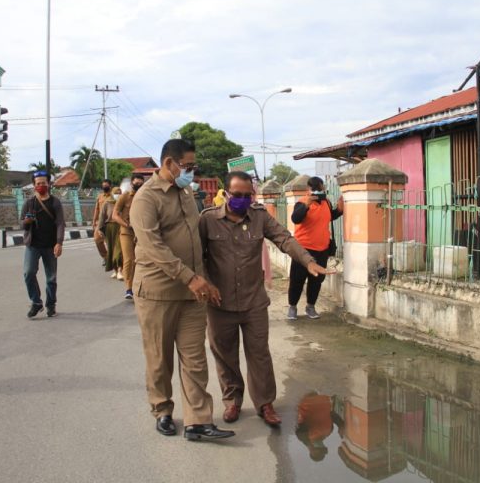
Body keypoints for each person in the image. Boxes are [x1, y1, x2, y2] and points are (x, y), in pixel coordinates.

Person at [200, 171, 330, 427]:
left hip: (253, 301)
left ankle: (264, 404)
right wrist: (205, 283)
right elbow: (197, 255)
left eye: (247, 195)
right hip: (219, 303)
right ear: (225, 194)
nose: (242, 200)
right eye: (236, 195)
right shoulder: (208, 221)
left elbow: (284, 238)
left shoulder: (259, 217)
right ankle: (232, 401)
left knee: (259, 354)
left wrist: (308, 261)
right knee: (225, 355)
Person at [130, 138, 234, 442]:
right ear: (169, 164)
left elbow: (194, 240)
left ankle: (197, 421)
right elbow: (152, 247)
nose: (191, 171)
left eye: (193, 166)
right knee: (159, 359)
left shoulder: (187, 192)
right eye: (187, 166)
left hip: (192, 293)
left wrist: (203, 279)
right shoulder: (146, 198)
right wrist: (190, 278)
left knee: (195, 359)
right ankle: (162, 410)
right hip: (157, 293)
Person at [288, 176, 343, 320]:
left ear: (323, 188)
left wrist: (340, 210)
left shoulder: (326, 202)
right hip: (302, 249)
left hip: (322, 249)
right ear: (309, 189)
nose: (318, 191)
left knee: (317, 280)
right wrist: (307, 204)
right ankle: (292, 307)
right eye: (315, 189)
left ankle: (310, 307)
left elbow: (329, 217)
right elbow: (296, 218)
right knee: (297, 280)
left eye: (320, 188)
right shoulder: (302, 202)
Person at [20, 171, 65, 318]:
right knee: (28, 273)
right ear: (34, 185)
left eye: (43, 183)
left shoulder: (54, 202)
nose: (41, 186)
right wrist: (27, 221)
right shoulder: (29, 203)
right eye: (38, 183)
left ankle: (51, 304)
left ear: (49, 184)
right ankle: (36, 302)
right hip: (33, 244)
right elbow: (22, 224)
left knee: (51, 278)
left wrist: (59, 243)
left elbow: (60, 223)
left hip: (50, 245)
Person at [112, 173, 145, 298]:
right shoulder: (124, 197)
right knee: (129, 259)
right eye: (136, 183)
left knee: (140, 259)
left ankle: (139, 285)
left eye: (141, 183)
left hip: (141, 232)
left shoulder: (145, 197)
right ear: (132, 183)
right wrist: (126, 224)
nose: (139, 185)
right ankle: (129, 288)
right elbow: (115, 215)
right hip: (127, 232)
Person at [100, 186, 122, 279]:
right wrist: (100, 229)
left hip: (120, 227)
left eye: (119, 193)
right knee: (111, 249)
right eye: (116, 193)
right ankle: (115, 270)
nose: (118, 195)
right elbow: (102, 216)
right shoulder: (107, 203)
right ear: (112, 193)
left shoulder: (122, 203)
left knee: (119, 249)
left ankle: (120, 270)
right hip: (109, 228)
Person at [92, 179, 113, 269]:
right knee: (97, 240)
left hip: (110, 222)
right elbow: (97, 209)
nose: (104, 187)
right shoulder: (100, 197)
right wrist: (94, 221)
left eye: (106, 185)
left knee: (110, 243)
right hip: (101, 223)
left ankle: (114, 261)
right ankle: (105, 257)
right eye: (103, 185)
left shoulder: (114, 196)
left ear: (110, 186)